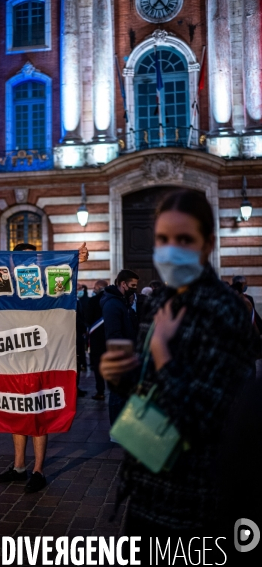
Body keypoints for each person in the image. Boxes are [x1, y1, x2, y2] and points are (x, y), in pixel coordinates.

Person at [100, 189, 260, 549]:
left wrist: (162, 357)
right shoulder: (159, 301)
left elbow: (208, 418)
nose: (171, 249)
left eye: (184, 239)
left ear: (207, 244)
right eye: (162, 239)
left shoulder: (225, 311)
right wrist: (125, 375)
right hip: (145, 486)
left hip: (192, 500)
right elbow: (149, 390)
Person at [0, 241, 89, 493]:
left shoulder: (42, 282)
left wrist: (79, 260)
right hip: (10, 359)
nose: (26, 263)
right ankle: (19, 466)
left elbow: (62, 286)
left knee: (38, 412)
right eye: (20, 259)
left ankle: (38, 470)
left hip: (41, 359)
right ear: (10, 261)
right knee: (17, 412)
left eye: (31, 259)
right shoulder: (3, 282)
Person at [100, 270, 138, 425]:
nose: (135, 288)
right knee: (117, 395)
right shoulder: (113, 304)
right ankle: (117, 428)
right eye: (133, 285)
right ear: (123, 284)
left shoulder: (121, 302)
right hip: (119, 355)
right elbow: (115, 333)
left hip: (124, 353)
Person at [87, 279, 108, 400]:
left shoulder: (93, 301)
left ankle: (100, 391)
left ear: (99, 287)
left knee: (98, 366)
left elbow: (88, 318)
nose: (93, 290)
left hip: (96, 339)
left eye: (95, 287)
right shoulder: (113, 300)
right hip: (110, 338)